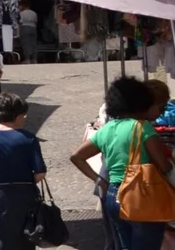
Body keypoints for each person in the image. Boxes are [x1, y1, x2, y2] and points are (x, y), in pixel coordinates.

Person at [71, 77, 172, 250]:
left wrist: (99, 181)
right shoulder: (142, 128)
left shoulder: (108, 128)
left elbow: (76, 156)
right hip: (141, 195)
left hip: (113, 194)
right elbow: (164, 166)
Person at [0, 93, 48, 250]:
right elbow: (40, 173)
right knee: (26, 239)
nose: (25, 118)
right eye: (24, 115)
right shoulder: (28, 138)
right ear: (17, 116)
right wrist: (25, 183)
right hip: (25, 197)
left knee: (0, 240)